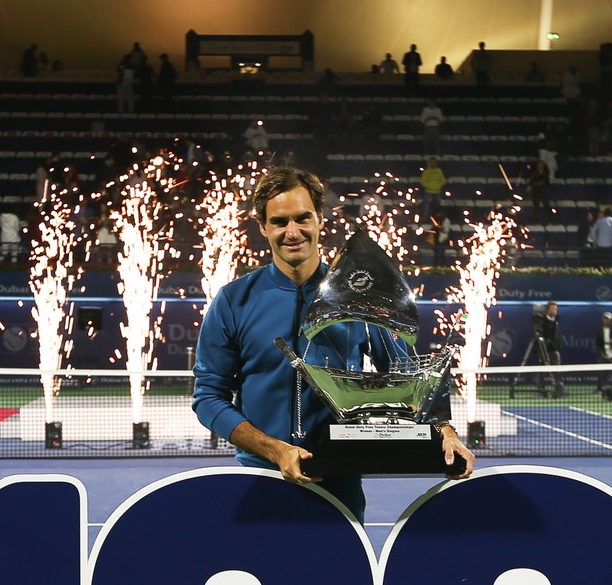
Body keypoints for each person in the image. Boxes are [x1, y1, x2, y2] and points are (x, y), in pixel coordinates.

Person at [192, 163, 474, 527]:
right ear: (262, 227)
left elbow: (411, 379)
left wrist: (445, 435)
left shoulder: (362, 295)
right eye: (279, 222)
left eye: (302, 218)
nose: (292, 232)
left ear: (320, 219)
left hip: (340, 481)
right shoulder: (233, 300)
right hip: (259, 477)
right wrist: (276, 451)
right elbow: (208, 399)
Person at [595, 311, 612, 394]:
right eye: (605, 319)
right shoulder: (599, 330)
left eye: (608, 319)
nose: (606, 320)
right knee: (601, 373)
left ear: (611, 320)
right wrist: (602, 351)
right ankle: (599, 389)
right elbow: (597, 342)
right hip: (603, 355)